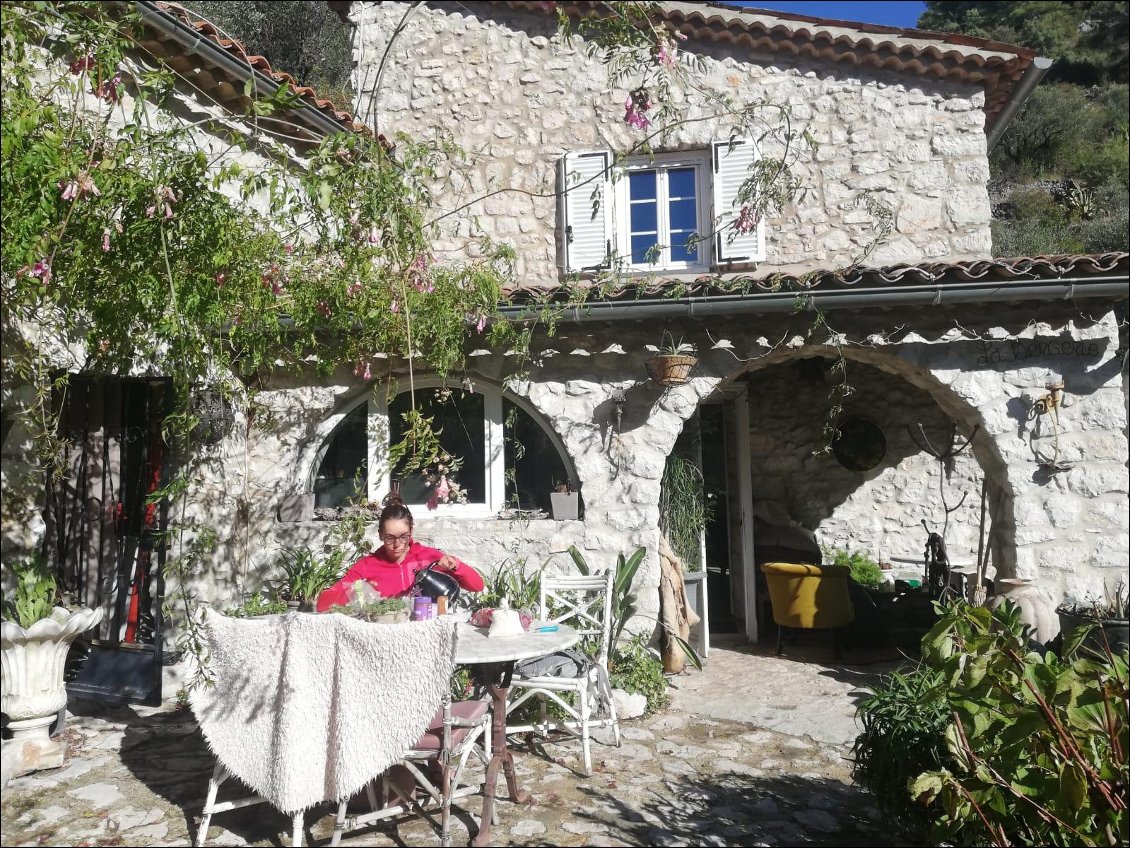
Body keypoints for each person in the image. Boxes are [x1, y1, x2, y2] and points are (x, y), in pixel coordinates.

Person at [315, 492, 483, 612]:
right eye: (389, 538)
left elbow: (477, 586)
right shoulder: (367, 565)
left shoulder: (427, 557)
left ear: (411, 531)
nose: (397, 545)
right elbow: (323, 603)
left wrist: (456, 565)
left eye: (404, 537)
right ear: (380, 534)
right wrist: (357, 591)